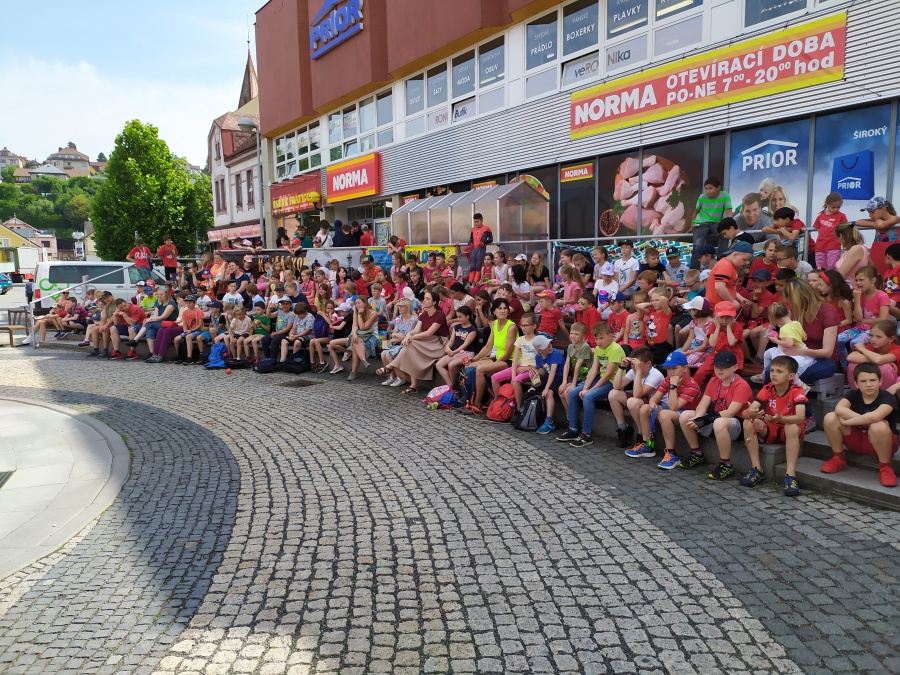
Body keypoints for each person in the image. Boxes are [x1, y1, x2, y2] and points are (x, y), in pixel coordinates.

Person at [679, 351, 753, 479]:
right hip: (717, 418)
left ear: (735, 367)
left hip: (738, 423)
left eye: (724, 367)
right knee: (685, 416)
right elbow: (703, 404)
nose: (719, 370)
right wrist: (699, 417)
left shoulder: (741, 384)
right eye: (717, 366)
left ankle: (726, 464)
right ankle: (696, 453)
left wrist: (705, 419)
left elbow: (731, 412)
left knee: (719, 422)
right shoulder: (714, 381)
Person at [823, 363, 898, 487]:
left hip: (882, 443)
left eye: (873, 380)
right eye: (863, 381)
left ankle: (885, 468)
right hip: (857, 440)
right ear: (856, 383)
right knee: (830, 418)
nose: (868, 384)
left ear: (880, 381)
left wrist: (847, 421)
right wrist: (865, 420)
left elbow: (875, 417)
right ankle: (838, 458)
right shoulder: (853, 394)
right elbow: (839, 409)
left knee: (878, 426)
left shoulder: (888, 398)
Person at [742, 355, 809, 494]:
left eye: (779, 371)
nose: (773, 374)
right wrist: (750, 414)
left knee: (791, 426)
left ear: (791, 376)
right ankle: (756, 469)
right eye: (772, 370)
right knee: (748, 422)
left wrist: (782, 418)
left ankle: (790, 475)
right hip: (771, 427)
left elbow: (800, 418)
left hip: (790, 430)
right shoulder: (767, 388)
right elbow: (747, 412)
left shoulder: (797, 390)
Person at [557, 322, 625, 448]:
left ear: (610, 336)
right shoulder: (598, 349)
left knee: (588, 397)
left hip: (613, 382)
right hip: (601, 378)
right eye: (596, 338)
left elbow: (608, 374)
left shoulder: (615, 349)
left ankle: (586, 434)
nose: (598, 342)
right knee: (573, 392)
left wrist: (590, 390)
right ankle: (573, 428)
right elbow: (593, 370)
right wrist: (585, 387)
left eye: (601, 338)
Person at [636, 351, 703, 470]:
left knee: (664, 414)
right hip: (675, 411)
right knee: (645, 409)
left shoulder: (691, 385)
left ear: (685, 368)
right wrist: (652, 403)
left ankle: (671, 453)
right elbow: (655, 398)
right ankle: (647, 444)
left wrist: (673, 386)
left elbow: (674, 407)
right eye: (668, 369)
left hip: (688, 414)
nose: (671, 372)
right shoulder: (668, 379)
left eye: (674, 368)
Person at [384, 289, 450, 394]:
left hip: (438, 343)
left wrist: (411, 337)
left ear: (434, 302)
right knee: (410, 347)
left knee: (411, 343)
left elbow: (429, 333)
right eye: (424, 298)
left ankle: (392, 366)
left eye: (427, 299)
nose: (424, 300)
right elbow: (416, 330)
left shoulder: (439, 315)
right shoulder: (423, 315)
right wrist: (409, 335)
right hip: (427, 342)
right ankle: (413, 385)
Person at [461, 298, 517, 413]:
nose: (503, 311)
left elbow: (507, 353)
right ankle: (469, 399)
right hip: (498, 358)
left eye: (505, 308)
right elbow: (488, 346)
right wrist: (475, 358)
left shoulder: (511, 327)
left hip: (509, 361)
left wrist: (492, 364)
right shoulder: (495, 324)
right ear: (494, 311)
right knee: (469, 366)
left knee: (480, 369)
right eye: (499, 308)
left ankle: (477, 404)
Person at [608, 346, 664, 451]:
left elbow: (637, 394)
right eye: (632, 364)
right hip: (643, 401)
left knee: (633, 401)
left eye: (636, 364)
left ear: (648, 363)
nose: (633, 367)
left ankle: (642, 434)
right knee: (613, 394)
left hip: (657, 405)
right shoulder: (634, 371)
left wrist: (638, 372)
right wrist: (622, 367)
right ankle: (623, 429)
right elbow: (616, 386)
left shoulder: (656, 375)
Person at [837, 265, 890, 369]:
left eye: (861, 280)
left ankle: (860, 367)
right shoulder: (859, 295)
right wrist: (856, 300)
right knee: (838, 339)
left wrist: (863, 320)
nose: (858, 283)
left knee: (855, 343)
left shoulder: (882, 296)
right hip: (860, 328)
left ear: (873, 280)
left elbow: (883, 319)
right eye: (856, 280)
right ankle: (846, 368)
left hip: (875, 329)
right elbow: (857, 318)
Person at [693, 301, 744, 391]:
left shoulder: (737, 326)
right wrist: (717, 327)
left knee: (717, 376)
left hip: (732, 355)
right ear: (716, 317)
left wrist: (729, 328)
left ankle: (715, 394)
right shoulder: (714, 326)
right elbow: (712, 343)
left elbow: (732, 342)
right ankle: (693, 392)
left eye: (728, 317)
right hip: (716, 354)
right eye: (721, 317)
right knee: (700, 373)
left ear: (733, 317)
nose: (724, 320)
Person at [329, 296, 377, 381]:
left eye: (359, 303)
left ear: (365, 303)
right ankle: (362, 360)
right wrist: (354, 334)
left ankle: (354, 372)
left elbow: (362, 327)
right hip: (357, 335)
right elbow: (354, 326)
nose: (357, 305)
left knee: (355, 345)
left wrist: (360, 315)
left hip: (370, 336)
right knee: (332, 343)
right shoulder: (355, 312)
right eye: (356, 303)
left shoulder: (373, 314)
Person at [846, 319, 900, 391]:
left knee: (885, 368)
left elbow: (879, 360)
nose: (873, 339)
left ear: (891, 339)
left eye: (878, 337)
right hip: (873, 382)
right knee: (853, 364)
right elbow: (850, 357)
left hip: (894, 387)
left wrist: (862, 348)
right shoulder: (871, 347)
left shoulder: (897, 349)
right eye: (871, 335)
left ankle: (886, 396)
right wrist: (881, 361)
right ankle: (857, 394)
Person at [705, 241, 753, 313]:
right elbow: (719, 287)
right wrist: (732, 301)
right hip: (717, 309)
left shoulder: (730, 265)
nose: (746, 263)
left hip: (721, 307)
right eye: (744, 259)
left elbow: (729, 287)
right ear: (735, 255)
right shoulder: (725, 265)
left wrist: (740, 298)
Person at [434, 305, 475, 389]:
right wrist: (448, 347)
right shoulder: (456, 327)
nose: (458, 319)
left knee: (451, 365)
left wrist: (454, 352)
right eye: (457, 317)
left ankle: (454, 385)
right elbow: (451, 340)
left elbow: (465, 344)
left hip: (467, 353)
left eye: (460, 317)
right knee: (439, 364)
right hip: (456, 352)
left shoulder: (472, 330)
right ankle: (450, 384)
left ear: (467, 317)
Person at [692, 177, 732, 255]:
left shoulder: (725, 195)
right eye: (706, 188)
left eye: (710, 188)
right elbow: (696, 212)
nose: (707, 191)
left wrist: (730, 226)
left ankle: (721, 258)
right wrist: (692, 224)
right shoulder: (702, 197)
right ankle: (696, 263)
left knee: (725, 235)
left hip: (716, 223)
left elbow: (729, 211)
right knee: (697, 245)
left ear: (718, 188)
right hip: (701, 223)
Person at [811, 192, 846, 270]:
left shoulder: (841, 216)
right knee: (820, 268)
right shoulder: (820, 216)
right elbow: (819, 230)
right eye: (833, 207)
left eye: (838, 207)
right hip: (820, 246)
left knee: (832, 267)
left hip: (833, 245)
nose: (836, 209)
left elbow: (845, 229)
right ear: (827, 204)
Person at [172, 294, 205, 364]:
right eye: (187, 303)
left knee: (188, 337)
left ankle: (189, 357)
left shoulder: (199, 311)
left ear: (194, 303)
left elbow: (200, 325)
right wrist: (185, 331)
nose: (188, 304)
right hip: (188, 330)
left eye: (190, 303)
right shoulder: (185, 312)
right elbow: (184, 324)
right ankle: (179, 355)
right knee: (176, 339)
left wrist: (191, 331)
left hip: (197, 330)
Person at [466, 213, 493, 284]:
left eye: (477, 221)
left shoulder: (486, 228)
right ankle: (470, 282)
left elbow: (491, 239)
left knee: (478, 265)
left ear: (481, 220)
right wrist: (470, 242)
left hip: (481, 248)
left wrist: (484, 242)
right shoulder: (473, 229)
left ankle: (475, 282)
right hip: (473, 249)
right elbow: (471, 239)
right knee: (472, 266)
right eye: (475, 222)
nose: (476, 223)